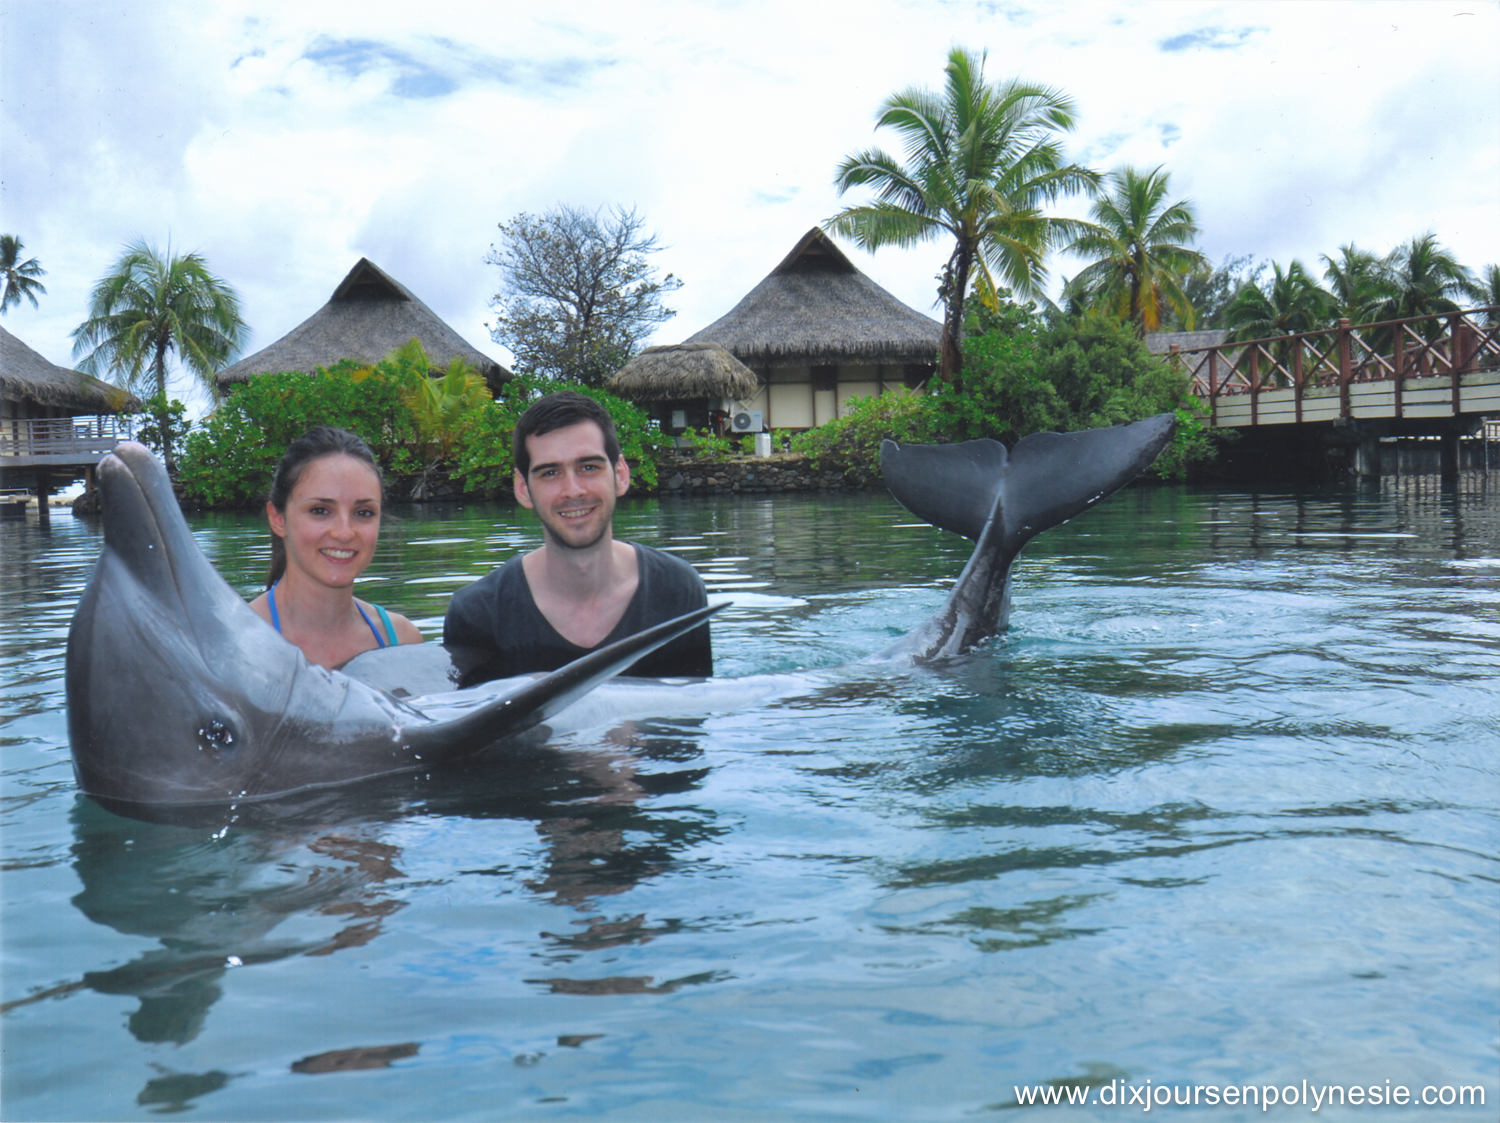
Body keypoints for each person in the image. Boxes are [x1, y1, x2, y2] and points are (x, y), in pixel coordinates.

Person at [444, 392, 712, 680]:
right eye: (550, 473)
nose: (573, 490)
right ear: (523, 488)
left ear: (620, 474)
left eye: (588, 467)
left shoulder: (677, 591)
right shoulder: (477, 614)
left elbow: (691, 716)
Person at [249, 426, 423, 669]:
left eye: (363, 513)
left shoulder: (401, 640)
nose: (344, 532)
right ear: (278, 519)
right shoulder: (237, 639)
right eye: (320, 511)